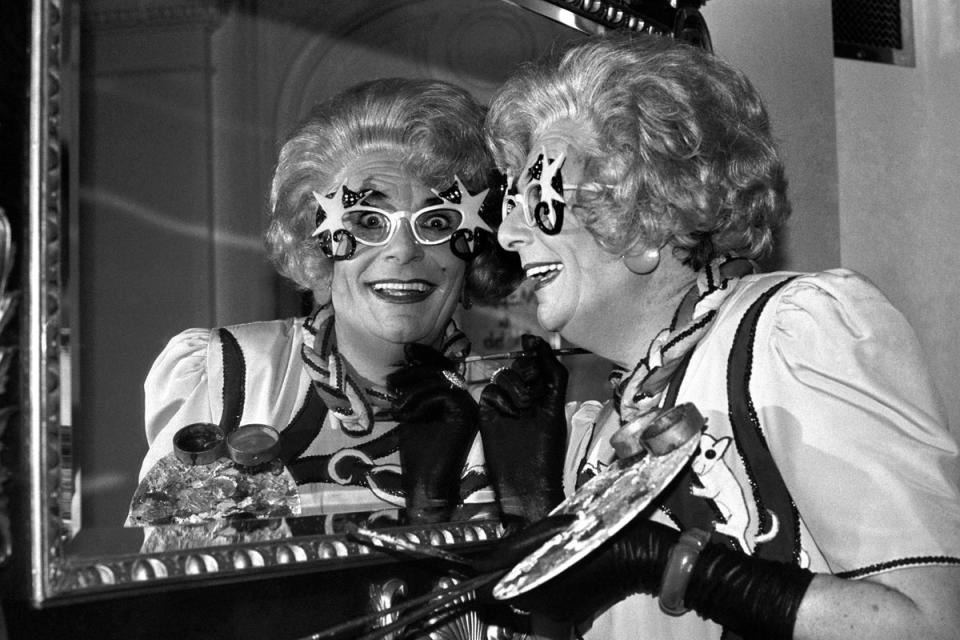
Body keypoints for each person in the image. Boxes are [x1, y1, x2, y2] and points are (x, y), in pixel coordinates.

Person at [483, 33, 960, 640]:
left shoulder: (792, 334)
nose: (507, 234)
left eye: (535, 197)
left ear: (648, 208)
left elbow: (932, 625)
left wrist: (678, 566)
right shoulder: (610, 419)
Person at [135, 77, 525, 527]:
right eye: (367, 221)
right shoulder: (232, 377)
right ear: (318, 240)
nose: (403, 251)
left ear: (476, 248)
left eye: (437, 221)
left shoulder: (509, 414)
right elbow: (167, 581)